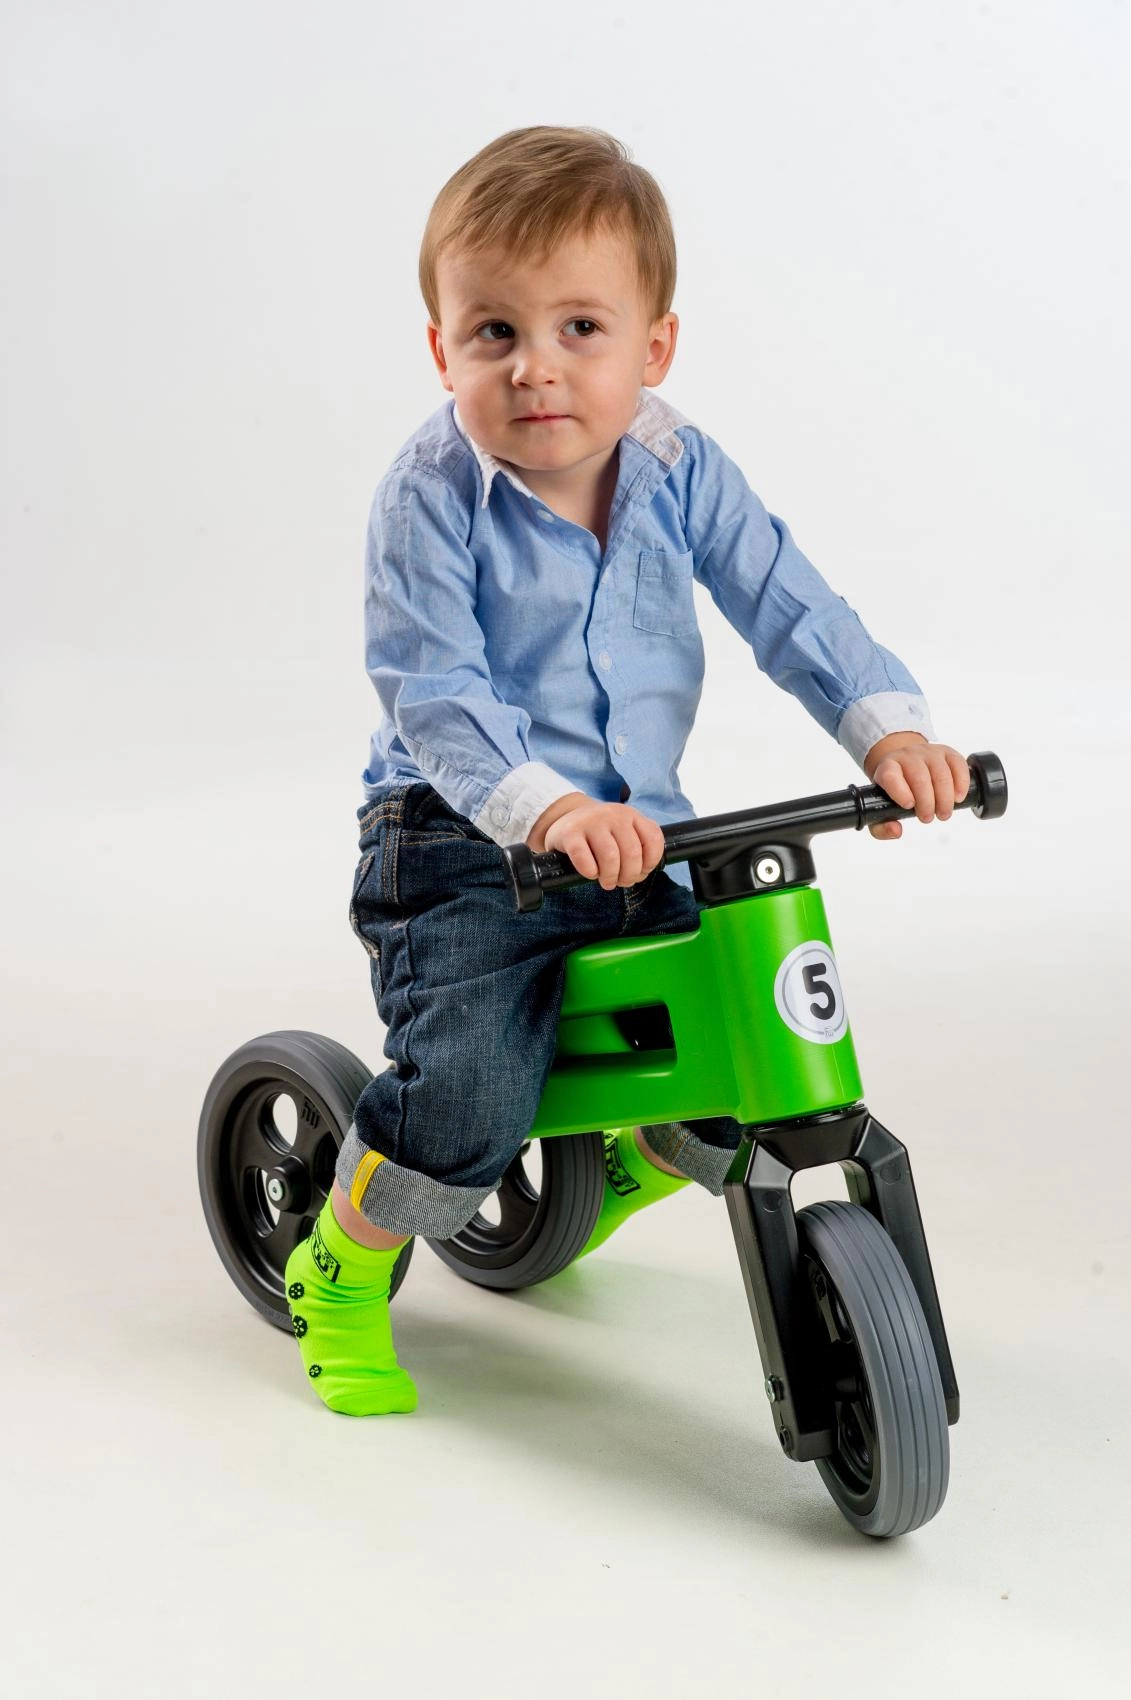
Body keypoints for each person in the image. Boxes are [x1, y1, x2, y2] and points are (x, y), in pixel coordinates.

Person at [283, 125, 970, 1416]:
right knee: (470, 1089)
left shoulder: (676, 466)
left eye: (580, 329)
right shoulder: (429, 495)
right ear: (441, 350)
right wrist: (545, 808)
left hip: (639, 829)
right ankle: (345, 1258)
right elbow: (435, 689)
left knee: (729, 1010)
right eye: (494, 332)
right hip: (459, 837)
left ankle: (639, 1145)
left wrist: (886, 730)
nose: (535, 368)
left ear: (655, 347)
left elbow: (790, 602)